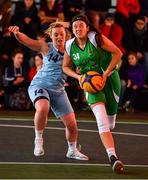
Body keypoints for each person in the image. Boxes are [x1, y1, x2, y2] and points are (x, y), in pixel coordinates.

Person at [8, 22, 88, 160]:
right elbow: (27, 41)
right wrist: (17, 33)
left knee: (72, 125)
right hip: (40, 85)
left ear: (66, 36)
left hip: (58, 90)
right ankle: (38, 140)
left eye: (61, 34)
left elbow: (79, 67)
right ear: (51, 36)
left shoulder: (72, 51)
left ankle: (72, 150)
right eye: (55, 34)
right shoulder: (46, 47)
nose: (59, 37)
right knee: (43, 107)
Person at [63, 14, 124, 173]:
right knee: (102, 122)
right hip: (90, 85)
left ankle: (109, 146)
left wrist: (104, 74)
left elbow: (118, 53)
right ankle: (113, 157)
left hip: (109, 80)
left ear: (87, 27)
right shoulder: (69, 45)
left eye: (81, 25)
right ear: (72, 28)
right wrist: (79, 77)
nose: (78, 29)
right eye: (75, 26)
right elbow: (65, 67)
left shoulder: (96, 38)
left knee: (110, 124)